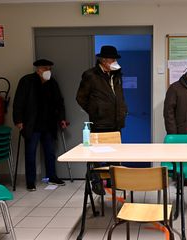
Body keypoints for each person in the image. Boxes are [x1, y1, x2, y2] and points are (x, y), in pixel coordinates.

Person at [76, 45, 128, 195]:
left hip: (116, 121)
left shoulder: (117, 75)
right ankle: (97, 182)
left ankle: (114, 181)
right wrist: (96, 111)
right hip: (99, 122)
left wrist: (123, 109)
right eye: (113, 59)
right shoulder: (91, 75)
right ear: (104, 60)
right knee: (97, 155)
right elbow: (80, 98)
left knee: (115, 154)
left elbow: (119, 96)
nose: (115, 62)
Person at [13, 59, 67, 191]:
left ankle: (51, 177)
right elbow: (18, 102)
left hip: (48, 124)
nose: (48, 71)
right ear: (38, 70)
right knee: (30, 153)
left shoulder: (52, 83)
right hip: (32, 124)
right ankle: (30, 181)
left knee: (50, 152)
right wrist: (18, 121)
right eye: (45, 68)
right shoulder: (26, 81)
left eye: (49, 68)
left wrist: (62, 118)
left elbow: (59, 102)